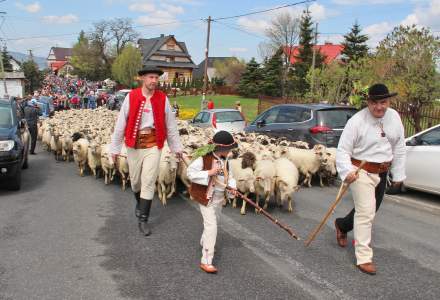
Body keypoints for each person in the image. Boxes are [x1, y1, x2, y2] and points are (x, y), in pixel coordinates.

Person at [334, 83, 406, 275]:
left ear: (388, 101)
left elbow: (399, 146)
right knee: (366, 213)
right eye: (375, 103)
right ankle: (364, 257)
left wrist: (398, 175)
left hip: (382, 172)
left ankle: (342, 225)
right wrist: (346, 171)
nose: (379, 107)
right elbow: (342, 150)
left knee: (370, 209)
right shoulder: (357, 121)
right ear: (368, 102)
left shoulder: (394, 117)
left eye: (383, 102)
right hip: (361, 170)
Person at [110, 66, 183, 236]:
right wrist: (114, 149)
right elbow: (121, 123)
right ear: (142, 78)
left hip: (153, 144)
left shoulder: (163, 98)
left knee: (149, 180)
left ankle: (143, 219)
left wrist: (176, 148)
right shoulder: (132, 96)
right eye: (151, 77)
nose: (154, 81)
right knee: (135, 181)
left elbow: (171, 126)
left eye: (156, 78)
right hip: (133, 145)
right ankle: (139, 201)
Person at [187, 131, 238, 274]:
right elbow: (190, 173)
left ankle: (205, 242)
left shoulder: (227, 161)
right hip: (206, 198)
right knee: (212, 227)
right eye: (228, 149)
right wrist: (209, 173)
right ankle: (206, 260)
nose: (230, 151)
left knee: (214, 223)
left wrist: (232, 188)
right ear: (220, 148)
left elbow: (231, 177)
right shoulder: (204, 159)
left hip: (219, 199)